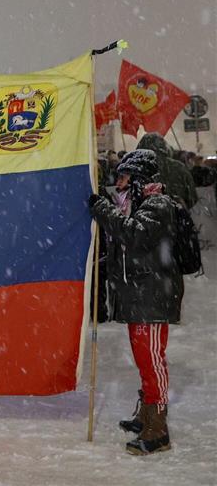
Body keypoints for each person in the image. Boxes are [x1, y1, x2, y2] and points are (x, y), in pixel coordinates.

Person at [88, 149, 183, 455]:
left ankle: (158, 428)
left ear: (141, 178)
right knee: (144, 360)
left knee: (152, 361)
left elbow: (135, 235)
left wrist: (103, 211)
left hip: (152, 296)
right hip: (138, 295)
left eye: (126, 176)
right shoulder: (138, 203)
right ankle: (146, 414)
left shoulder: (158, 204)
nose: (121, 182)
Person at [135, 133, 197, 209]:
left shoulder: (136, 168)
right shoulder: (179, 167)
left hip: (145, 217)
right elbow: (192, 198)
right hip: (177, 217)